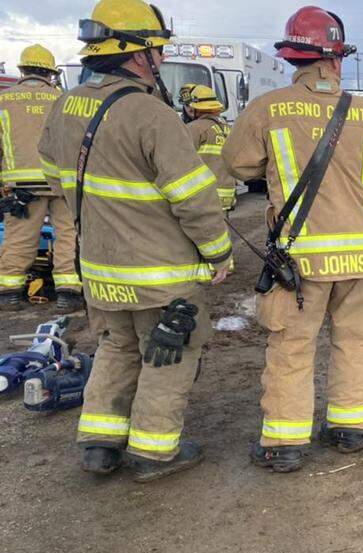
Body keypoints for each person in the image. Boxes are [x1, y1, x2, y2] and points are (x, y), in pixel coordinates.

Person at [38, 0, 231, 482]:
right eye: (159, 50)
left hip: (99, 265)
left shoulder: (66, 104)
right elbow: (192, 197)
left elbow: (53, 172)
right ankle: (153, 451)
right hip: (158, 271)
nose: (161, 60)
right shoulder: (151, 114)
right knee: (171, 350)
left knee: (116, 347)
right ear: (137, 53)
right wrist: (218, 251)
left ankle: (99, 445)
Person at [223, 5, 363, 473]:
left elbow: (238, 165)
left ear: (292, 59)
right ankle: (352, 426)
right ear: (337, 60)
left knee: (292, 346)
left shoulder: (267, 108)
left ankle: (284, 443)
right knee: (357, 340)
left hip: (301, 263)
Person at [0, 45, 83, 313]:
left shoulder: (4, 100)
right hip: (60, 182)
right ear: (51, 73)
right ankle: (68, 293)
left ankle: (9, 294)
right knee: (68, 234)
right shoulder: (64, 99)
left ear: (22, 70)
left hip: (21, 187)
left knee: (19, 238)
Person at [183, 84, 236, 212]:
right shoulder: (227, 128)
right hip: (226, 194)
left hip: (205, 196)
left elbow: (180, 160)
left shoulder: (195, 128)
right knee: (222, 229)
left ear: (194, 108)